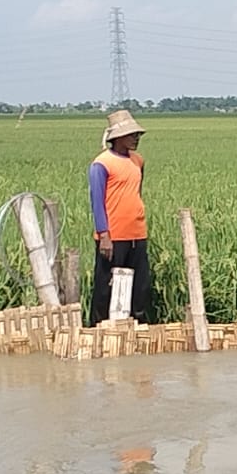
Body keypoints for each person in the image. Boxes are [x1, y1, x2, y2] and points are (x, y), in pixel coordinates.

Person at [88, 109, 151, 325]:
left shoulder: (138, 161)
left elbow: (136, 193)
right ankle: (99, 326)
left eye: (137, 135)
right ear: (118, 138)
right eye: (132, 135)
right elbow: (97, 201)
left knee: (140, 285)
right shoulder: (102, 164)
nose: (136, 139)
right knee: (106, 286)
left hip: (137, 233)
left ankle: (136, 325)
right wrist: (104, 234)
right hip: (113, 236)